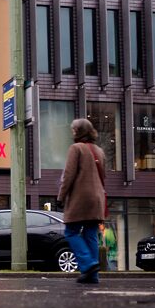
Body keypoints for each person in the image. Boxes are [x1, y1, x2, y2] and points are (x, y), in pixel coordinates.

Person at [57, 119, 107, 284]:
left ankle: (88, 263)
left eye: (73, 130)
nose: (72, 133)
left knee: (71, 232)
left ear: (79, 131)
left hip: (81, 198)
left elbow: (68, 175)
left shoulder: (76, 148)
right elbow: (103, 177)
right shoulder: (99, 151)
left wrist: (61, 196)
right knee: (90, 234)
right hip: (97, 199)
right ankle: (92, 276)